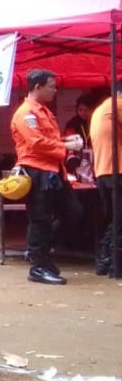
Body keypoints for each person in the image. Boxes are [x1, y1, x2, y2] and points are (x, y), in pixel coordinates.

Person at [12, 69, 85, 286]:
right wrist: (67, 146)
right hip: (36, 171)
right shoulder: (25, 113)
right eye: (51, 86)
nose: (55, 90)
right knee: (40, 219)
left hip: (54, 171)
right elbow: (36, 143)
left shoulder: (43, 111)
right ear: (38, 87)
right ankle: (38, 266)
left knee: (74, 213)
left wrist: (66, 141)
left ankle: (40, 253)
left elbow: (47, 140)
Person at [89, 82, 122, 277]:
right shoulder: (117, 104)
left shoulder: (101, 109)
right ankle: (113, 264)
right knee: (118, 220)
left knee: (114, 220)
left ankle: (105, 261)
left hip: (103, 171)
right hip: (117, 170)